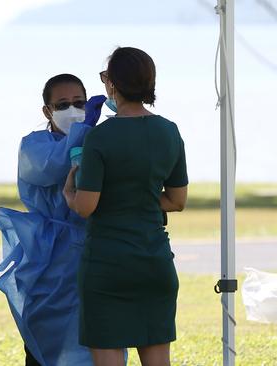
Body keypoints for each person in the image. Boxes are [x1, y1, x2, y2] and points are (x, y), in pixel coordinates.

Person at [63, 47, 188, 366]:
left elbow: (87, 205)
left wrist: (70, 193)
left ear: (113, 85)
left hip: (108, 265)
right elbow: (177, 200)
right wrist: (139, 197)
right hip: (154, 261)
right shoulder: (169, 131)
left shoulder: (101, 137)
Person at [0, 74, 105, 366]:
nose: (73, 110)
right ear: (47, 111)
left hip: (94, 253)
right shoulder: (34, 145)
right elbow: (54, 166)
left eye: (79, 103)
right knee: (47, 343)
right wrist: (84, 129)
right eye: (62, 104)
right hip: (48, 259)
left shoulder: (99, 140)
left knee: (98, 341)